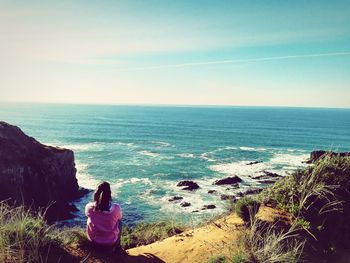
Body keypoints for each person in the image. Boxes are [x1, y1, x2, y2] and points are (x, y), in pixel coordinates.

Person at [85, 181, 124, 253]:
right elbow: (119, 219)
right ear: (109, 194)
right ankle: (118, 245)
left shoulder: (89, 207)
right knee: (119, 222)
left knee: (88, 218)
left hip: (94, 241)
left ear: (96, 193)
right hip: (111, 242)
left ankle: (92, 239)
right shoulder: (116, 208)